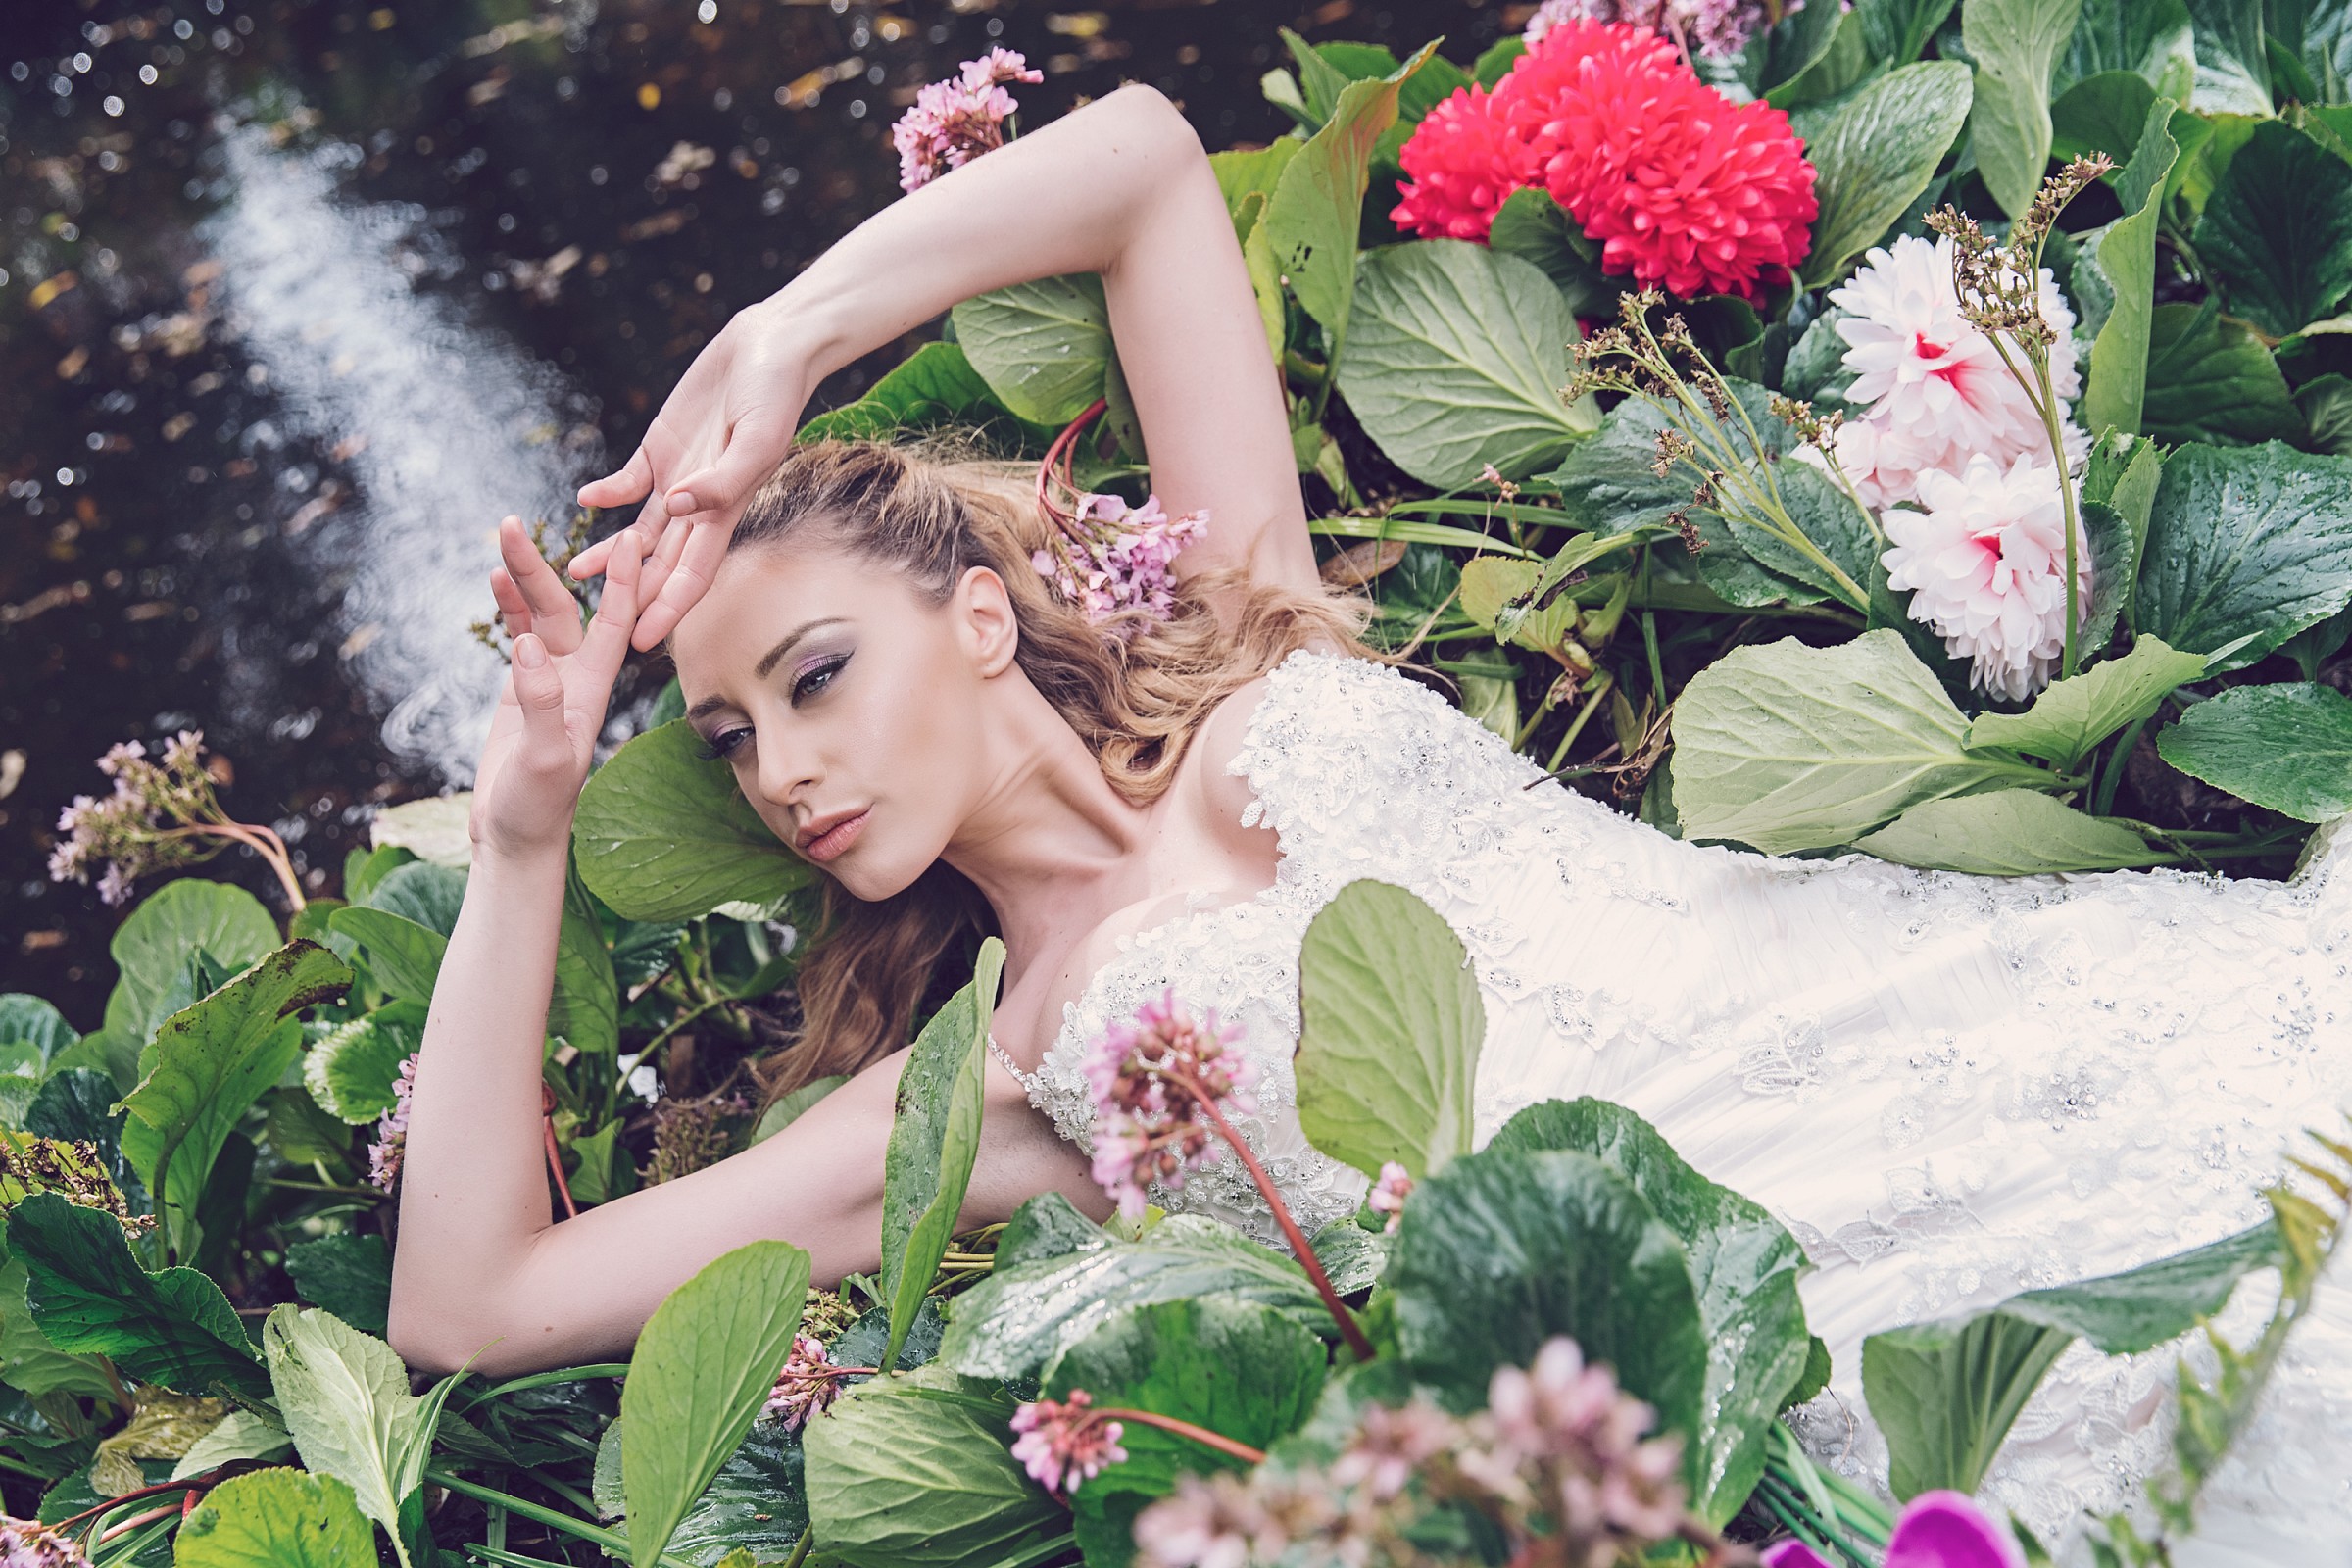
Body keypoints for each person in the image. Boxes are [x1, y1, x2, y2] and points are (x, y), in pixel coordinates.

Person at [386, 84, 2352, 1559]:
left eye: (812, 674)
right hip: (1814, 1307)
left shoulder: (1245, 618)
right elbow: (463, 1301)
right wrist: (528, 823)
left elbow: (1148, 163)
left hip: (2003, 1007)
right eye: (726, 738)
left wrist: (793, 331)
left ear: (981, 612)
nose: (780, 769)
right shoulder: (996, 1084)